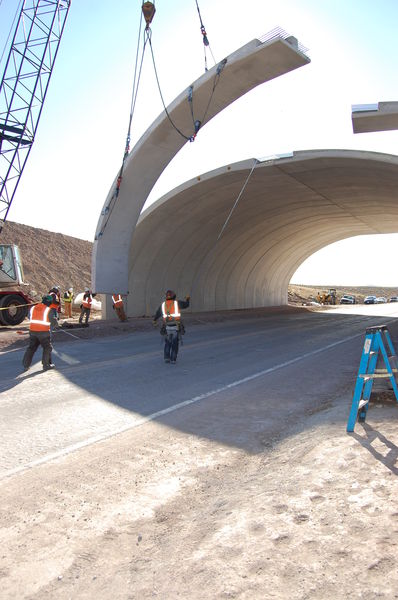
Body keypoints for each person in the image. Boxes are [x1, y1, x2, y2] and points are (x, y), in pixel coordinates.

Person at [153, 290, 190, 364]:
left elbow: (158, 313)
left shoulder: (163, 304)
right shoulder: (177, 303)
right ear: (174, 296)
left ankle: (167, 358)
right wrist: (188, 299)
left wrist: (154, 321)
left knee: (168, 342)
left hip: (167, 327)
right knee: (175, 343)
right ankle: (173, 359)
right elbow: (186, 305)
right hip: (176, 326)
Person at [22, 295, 58, 371]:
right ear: (49, 302)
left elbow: (29, 317)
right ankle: (46, 365)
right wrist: (54, 325)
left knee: (31, 348)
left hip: (32, 331)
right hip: (44, 333)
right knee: (47, 348)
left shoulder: (33, 308)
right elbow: (54, 322)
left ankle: (25, 365)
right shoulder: (48, 310)